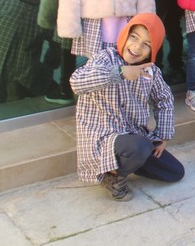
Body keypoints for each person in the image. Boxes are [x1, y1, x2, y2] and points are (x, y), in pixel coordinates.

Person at [70, 13, 184, 201]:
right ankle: (111, 176)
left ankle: (128, 162)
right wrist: (120, 72)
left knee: (174, 172)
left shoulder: (151, 71)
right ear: (124, 35)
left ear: (153, 50)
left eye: (147, 44)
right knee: (140, 146)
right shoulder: (105, 57)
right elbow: (77, 82)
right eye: (134, 37)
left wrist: (163, 135)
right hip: (103, 136)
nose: (137, 47)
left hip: (132, 135)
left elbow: (164, 99)